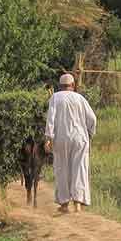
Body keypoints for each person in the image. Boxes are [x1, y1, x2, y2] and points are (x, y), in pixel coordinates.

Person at [45, 73, 97, 214]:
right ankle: (78, 203)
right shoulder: (80, 98)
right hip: (80, 138)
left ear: (60, 86)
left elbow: (51, 118)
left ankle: (64, 204)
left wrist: (49, 138)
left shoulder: (55, 98)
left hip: (61, 139)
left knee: (62, 169)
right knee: (80, 168)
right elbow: (92, 118)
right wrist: (90, 134)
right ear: (73, 85)